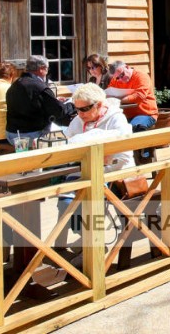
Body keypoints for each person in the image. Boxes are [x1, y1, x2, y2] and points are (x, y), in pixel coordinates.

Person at [59, 84, 135, 241]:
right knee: (66, 202)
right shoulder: (79, 120)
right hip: (83, 172)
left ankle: (93, 244)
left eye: (84, 109)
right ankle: (87, 239)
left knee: (89, 200)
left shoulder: (116, 119)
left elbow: (122, 155)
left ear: (100, 104)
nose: (80, 114)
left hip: (114, 175)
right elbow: (67, 140)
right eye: (76, 109)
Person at [6, 55, 74, 147]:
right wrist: (72, 105)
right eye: (47, 69)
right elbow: (59, 111)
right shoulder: (39, 87)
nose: (47, 73)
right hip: (30, 136)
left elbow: (30, 103)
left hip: (11, 135)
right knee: (69, 132)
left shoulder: (15, 84)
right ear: (42, 69)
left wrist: (54, 100)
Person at [108, 61, 159, 131]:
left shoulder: (141, 76)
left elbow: (140, 96)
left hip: (145, 114)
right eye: (117, 78)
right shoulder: (115, 80)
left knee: (133, 129)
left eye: (122, 74)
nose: (121, 79)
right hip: (125, 115)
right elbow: (108, 93)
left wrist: (118, 99)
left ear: (127, 67)